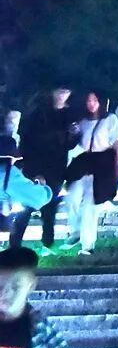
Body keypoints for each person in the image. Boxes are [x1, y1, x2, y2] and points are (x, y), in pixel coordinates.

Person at [8, 88, 75, 251]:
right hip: (34, 165)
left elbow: (69, 144)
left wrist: (74, 135)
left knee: (50, 208)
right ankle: (15, 245)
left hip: (56, 168)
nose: (62, 95)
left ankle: (47, 243)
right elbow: (28, 142)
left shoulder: (69, 115)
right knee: (25, 207)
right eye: (60, 91)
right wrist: (33, 169)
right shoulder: (39, 113)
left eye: (66, 92)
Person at [65, 92, 118, 255]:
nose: (91, 104)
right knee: (72, 197)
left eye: (95, 100)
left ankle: (87, 244)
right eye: (88, 100)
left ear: (100, 102)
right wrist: (73, 133)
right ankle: (76, 230)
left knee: (91, 205)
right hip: (84, 162)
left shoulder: (110, 119)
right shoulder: (83, 121)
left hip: (103, 163)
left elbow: (116, 144)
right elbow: (75, 142)